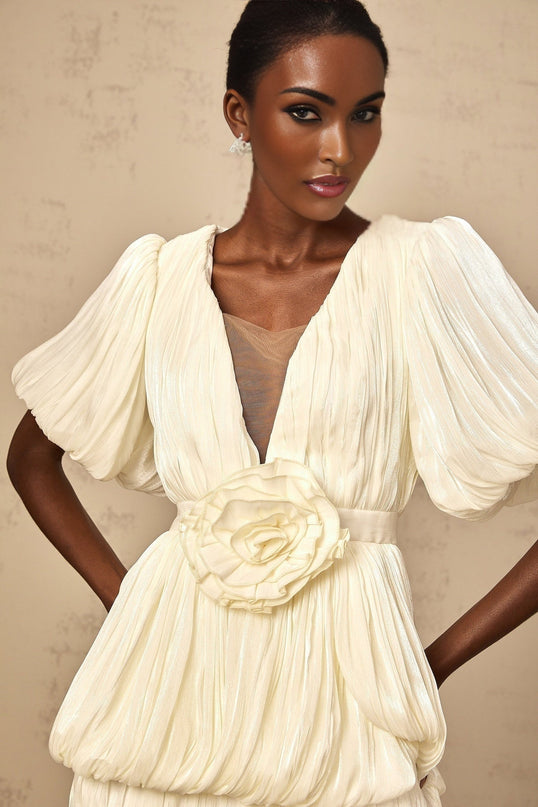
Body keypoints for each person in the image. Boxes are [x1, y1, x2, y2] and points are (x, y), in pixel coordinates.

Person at [7, 1, 538, 805]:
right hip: (165, 716)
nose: (341, 150)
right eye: (305, 112)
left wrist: (425, 664)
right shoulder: (158, 281)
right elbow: (30, 458)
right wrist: (135, 605)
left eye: (366, 114)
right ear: (239, 115)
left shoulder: (422, 272)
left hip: (349, 731)